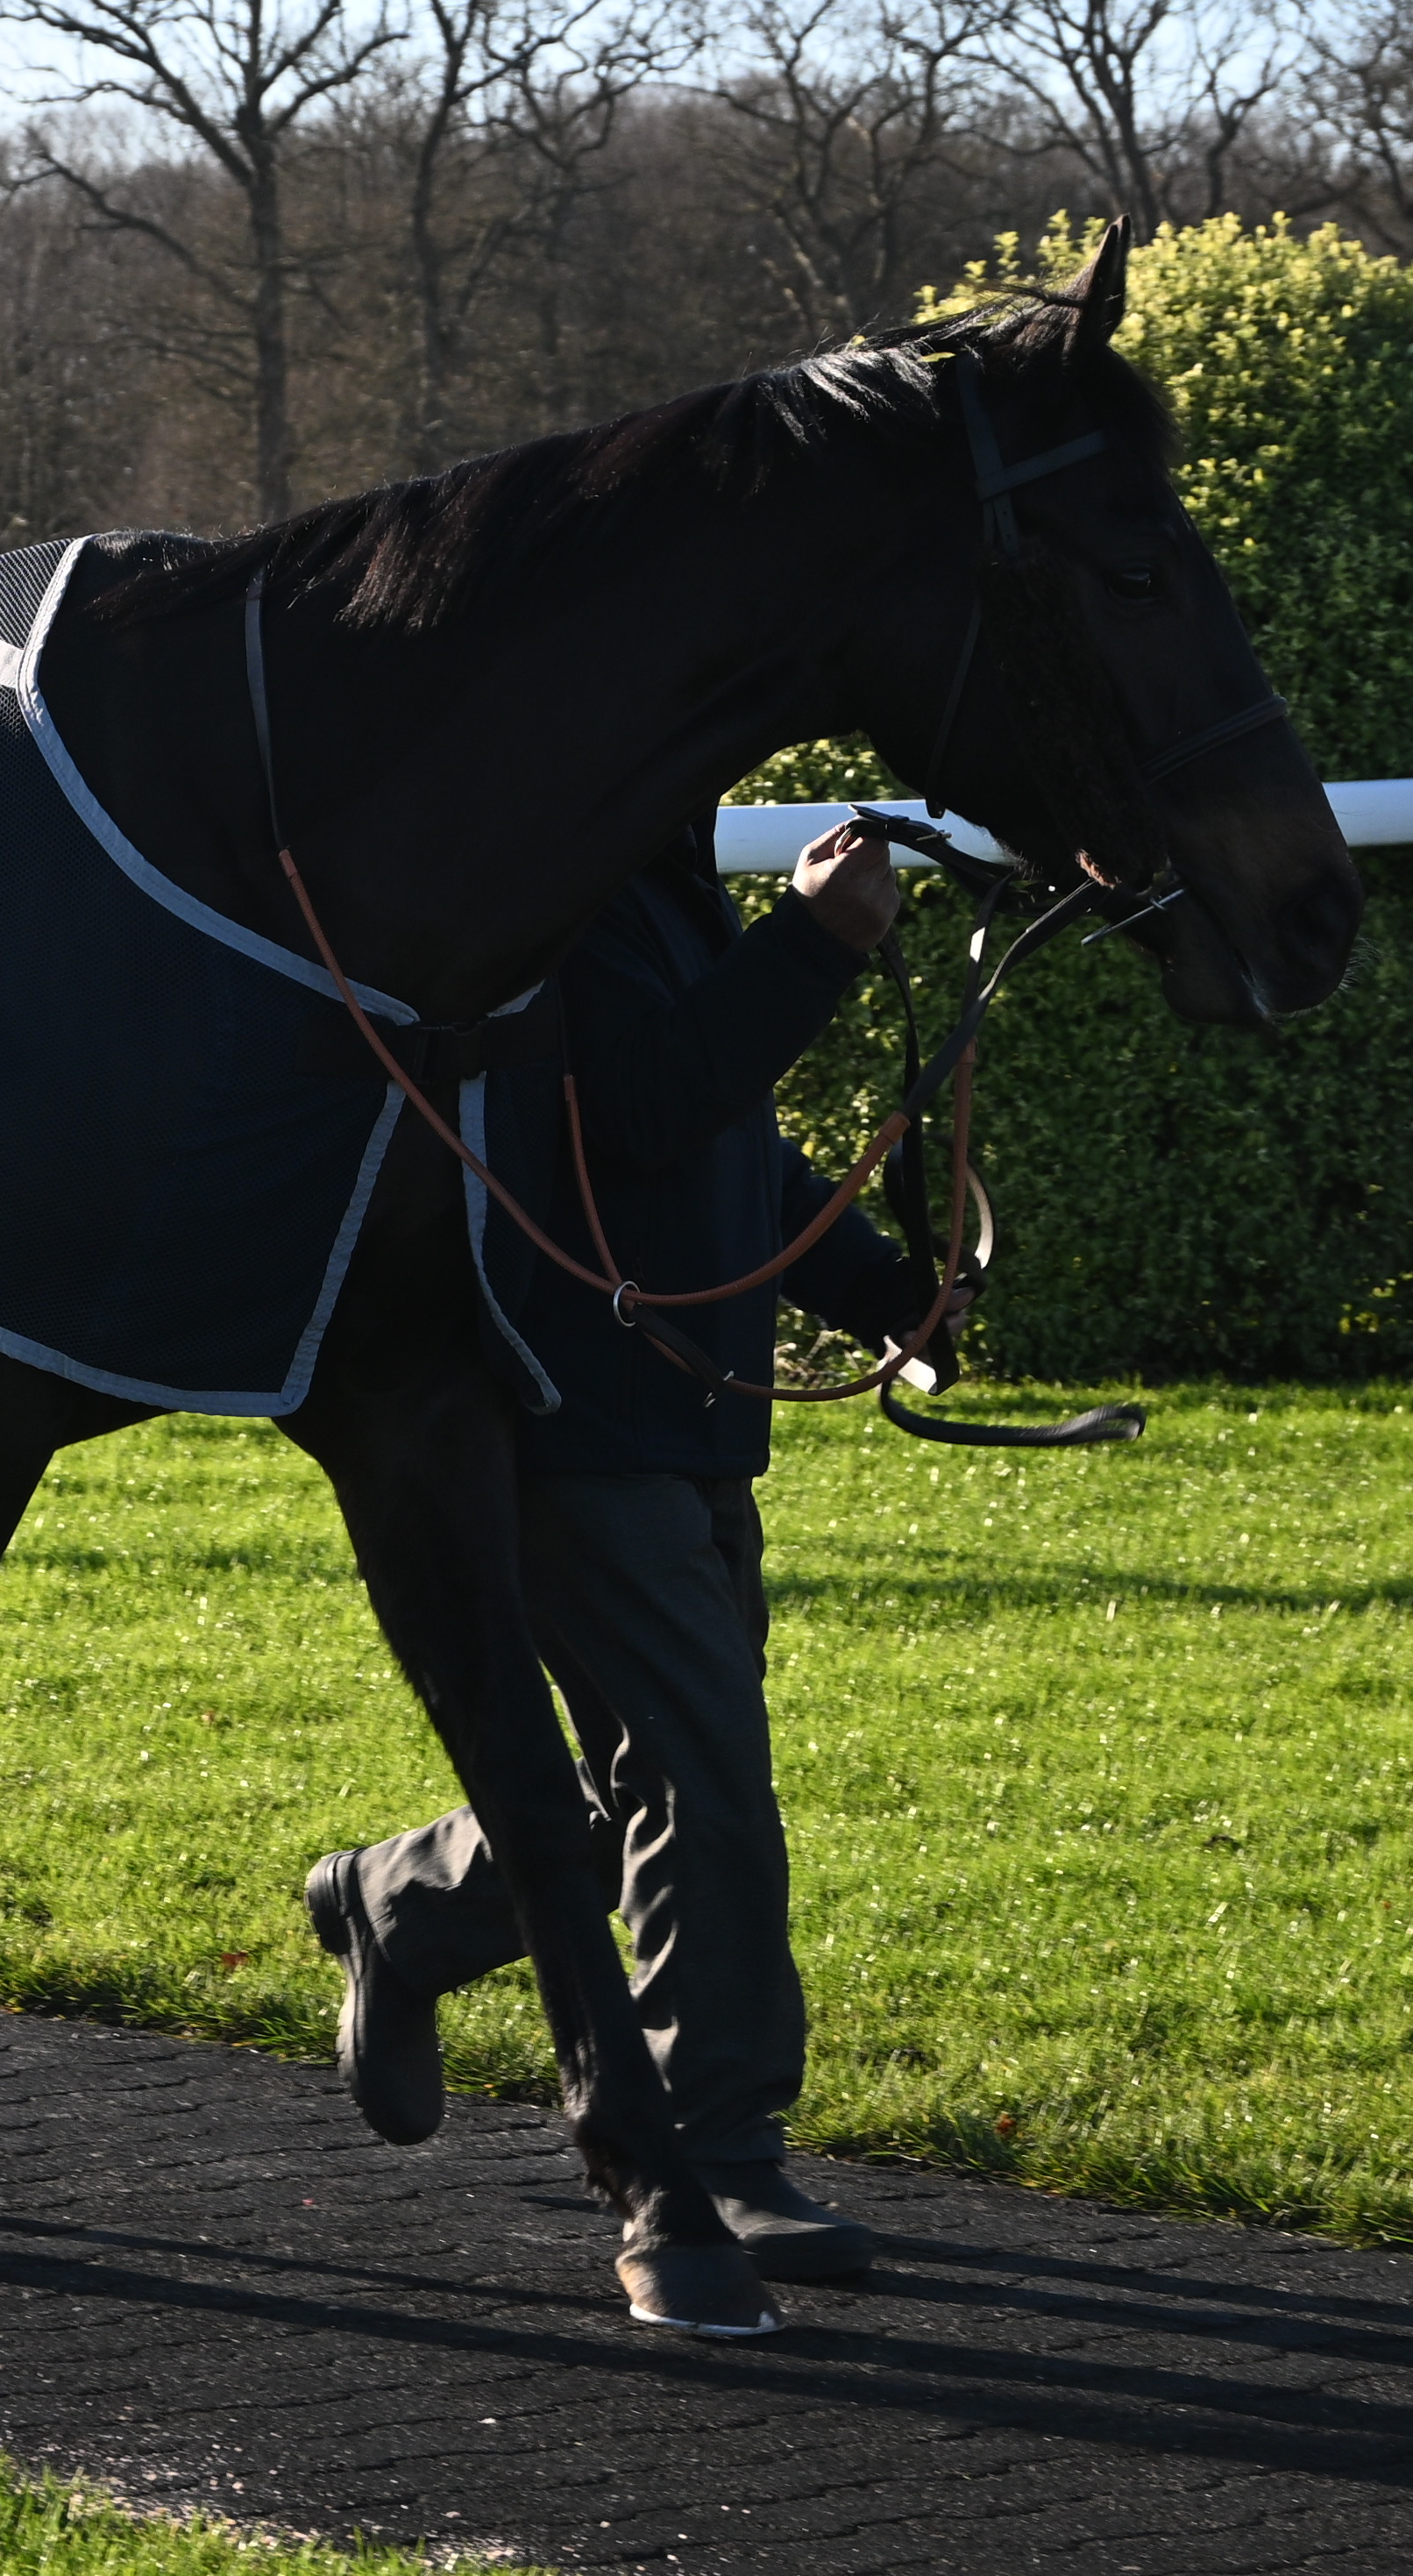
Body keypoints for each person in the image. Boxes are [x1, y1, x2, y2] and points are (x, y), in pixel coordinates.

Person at [302, 817, 944, 2282]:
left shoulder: (660, 878)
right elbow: (641, 1106)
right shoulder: (541, 880)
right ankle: (715, 2152)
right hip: (568, 1413)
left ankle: (397, 1906)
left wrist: (885, 1298)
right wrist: (819, 943)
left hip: (692, 1411)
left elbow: (736, 1144)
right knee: (704, 1778)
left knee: (650, 1778)